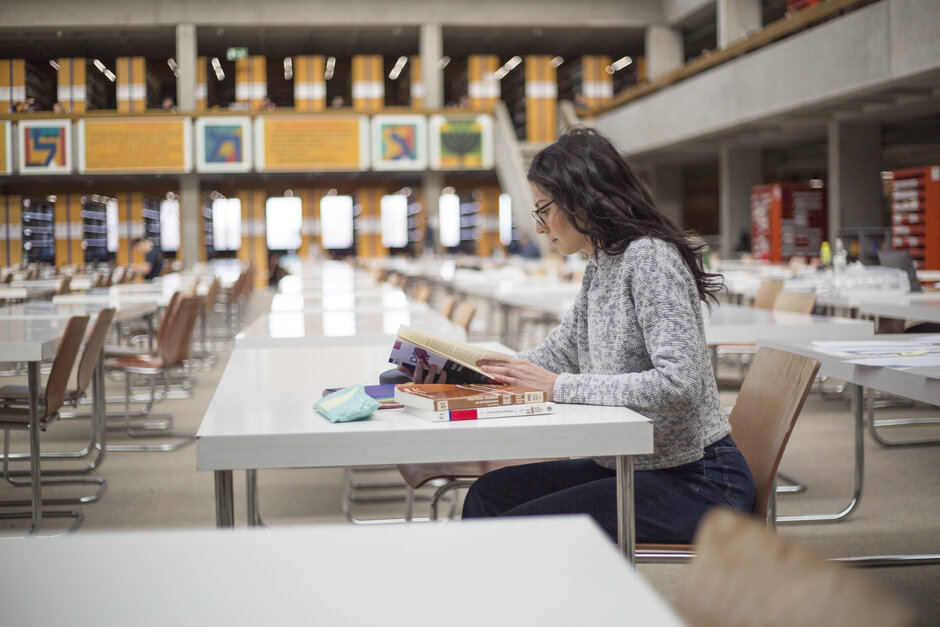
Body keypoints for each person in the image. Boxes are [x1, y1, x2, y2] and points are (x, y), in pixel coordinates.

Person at [454, 127, 753, 543]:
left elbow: (679, 385)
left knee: (513, 525)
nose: (539, 227)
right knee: (489, 494)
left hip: (699, 479)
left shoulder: (649, 259)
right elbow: (560, 352)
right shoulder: (601, 263)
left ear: (581, 198)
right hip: (636, 460)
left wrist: (560, 388)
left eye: (543, 210)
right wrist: (475, 370)